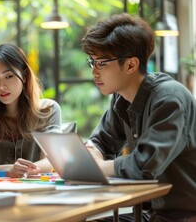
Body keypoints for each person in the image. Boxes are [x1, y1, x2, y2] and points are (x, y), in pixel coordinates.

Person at [81, 13, 196, 221]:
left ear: (131, 65)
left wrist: (97, 168)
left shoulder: (170, 98)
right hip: (151, 214)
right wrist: (93, 155)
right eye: (92, 62)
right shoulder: (122, 97)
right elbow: (99, 141)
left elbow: (143, 166)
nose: (94, 73)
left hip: (184, 216)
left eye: (101, 63)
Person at [0, 44, 62, 178]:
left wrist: (24, 171)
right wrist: (9, 170)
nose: (1, 86)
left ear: (24, 76)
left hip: (37, 191)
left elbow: (50, 162)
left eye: (9, 76)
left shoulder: (48, 110)